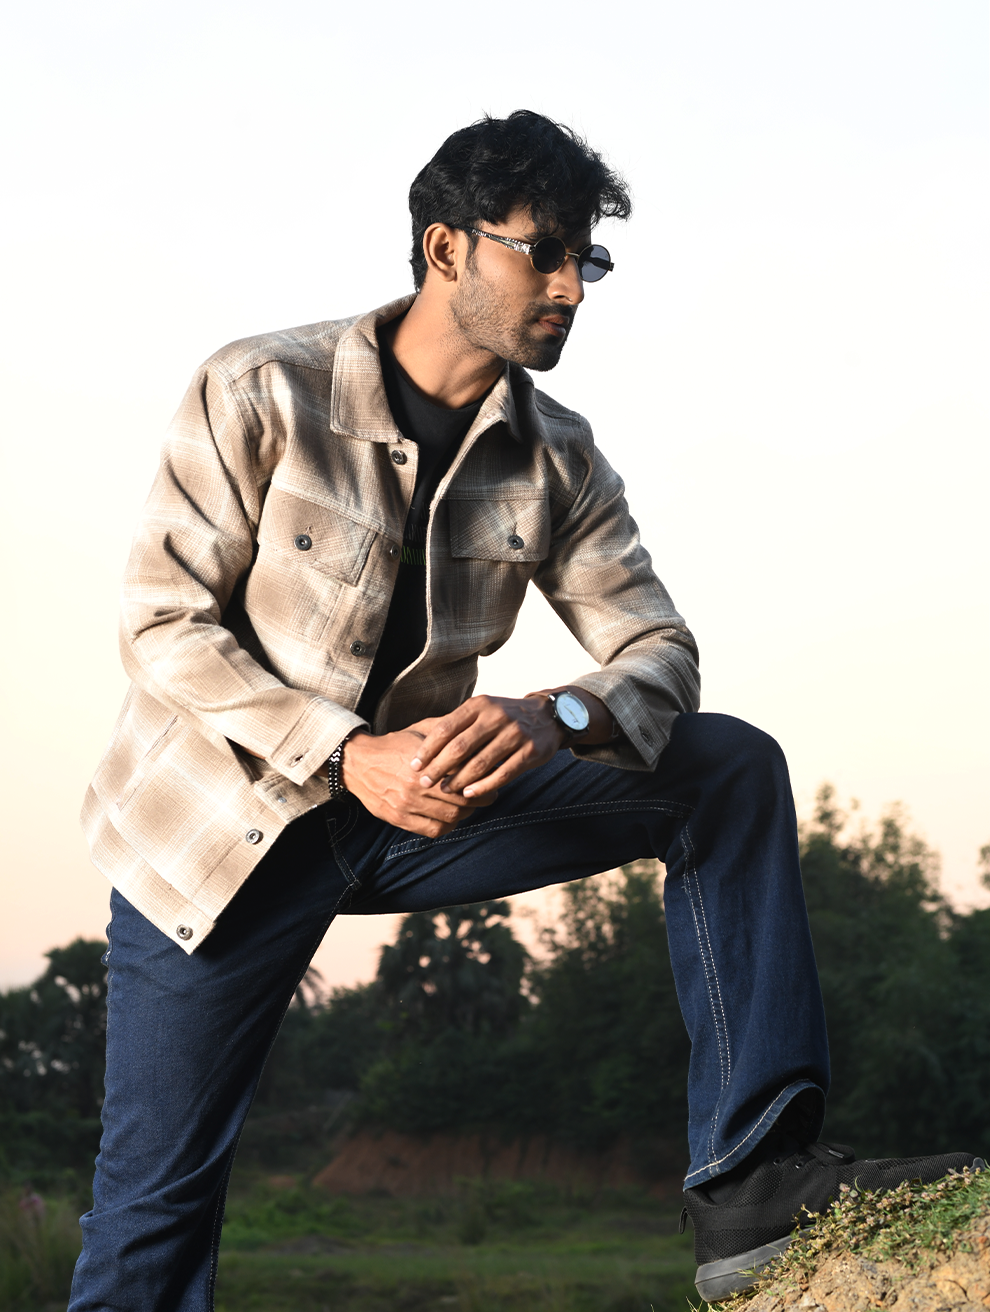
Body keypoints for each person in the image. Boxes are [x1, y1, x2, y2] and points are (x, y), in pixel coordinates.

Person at [71, 110, 982, 1310]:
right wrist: (348, 754)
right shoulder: (262, 388)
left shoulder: (559, 456)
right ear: (446, 247)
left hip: (423, 811)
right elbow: (162, 625)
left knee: (726, 769)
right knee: (154, 1209)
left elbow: (659, 651)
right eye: (543, 252)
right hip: (217, 836)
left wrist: (560, 719)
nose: (571, 288)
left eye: (585, 259)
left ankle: (752, 1180)